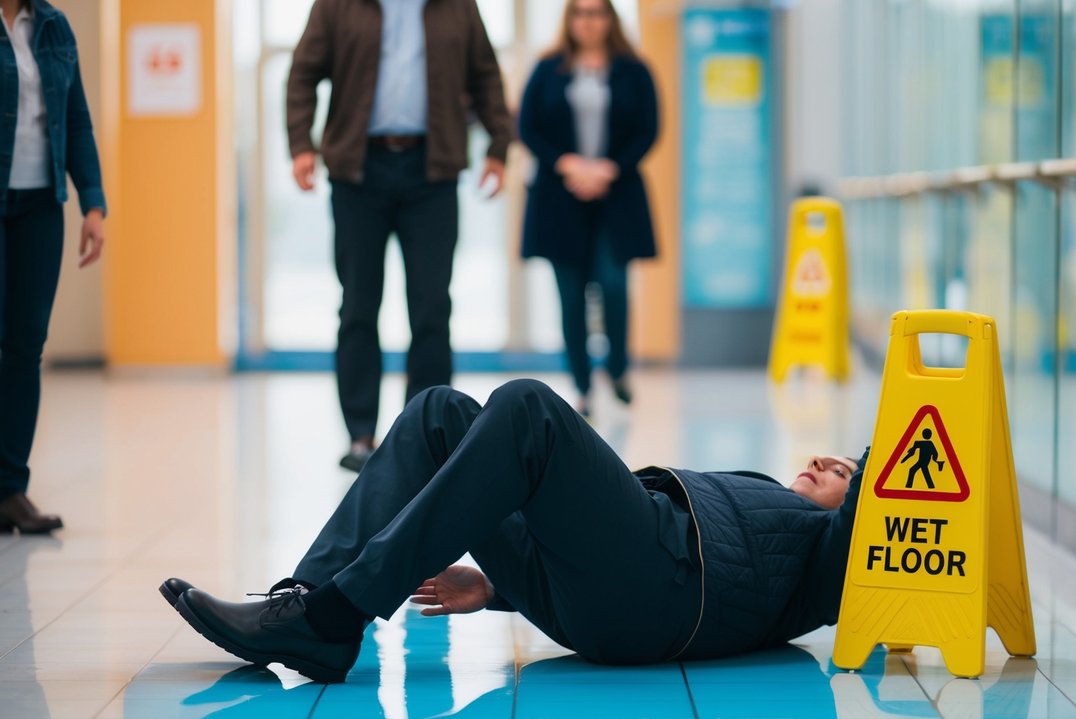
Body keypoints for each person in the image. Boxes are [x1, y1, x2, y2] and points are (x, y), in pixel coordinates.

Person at [160, 378, 865, 683]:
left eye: (838, 469)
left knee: (528, 408)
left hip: (663, 588)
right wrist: (498, 586)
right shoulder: (771, 502)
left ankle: (335, 613)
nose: (818, 462)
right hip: (601, 587)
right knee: (439, 413)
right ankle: (310, 605)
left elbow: (881, 495)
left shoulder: (822, 561)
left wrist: (872, 466)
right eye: (823, 456)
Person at [286, 0, 513, 472]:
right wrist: (301, 144)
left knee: (431, 305)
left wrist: (498, 145)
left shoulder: (458, 7)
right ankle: (360, 435)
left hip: (432, 172)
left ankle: (424, 433)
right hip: (357, 171)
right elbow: (304, 73)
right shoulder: (337, 5)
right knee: (358, 305)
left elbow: (485, 75)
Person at [518, 0, 658, 418]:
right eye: (581, 12)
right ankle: (581, 386)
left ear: (610, 19)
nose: (589, 21)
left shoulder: (634, 69)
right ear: (570, 19)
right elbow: (527, 126)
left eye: (597, 13)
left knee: (613, 284)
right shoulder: (548, 69)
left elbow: (649, 128)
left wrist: (608, 168)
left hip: (616, 194)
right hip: (560, 198)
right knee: (570, 296)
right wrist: (570, 164)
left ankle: (616, 368)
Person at [0, 0, 105, 534]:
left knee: (25, 346)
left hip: (40, 206)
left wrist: (93, 202)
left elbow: (77, 118)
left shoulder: (53, 24)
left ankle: (10, 489)